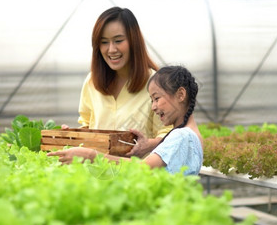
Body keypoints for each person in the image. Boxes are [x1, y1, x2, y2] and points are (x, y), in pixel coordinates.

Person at [49, 65, 203, 176]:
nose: (153, 107)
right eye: (151, 100)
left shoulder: (182, 136)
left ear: (181, 95)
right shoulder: (191, 135)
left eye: (157, 98)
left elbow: (143, 169)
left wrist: (91, 155)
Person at [60, 6, 171, 158]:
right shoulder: (92, 82)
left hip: (140, 175)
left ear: (134, 41)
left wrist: (148, 145)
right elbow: (87, 124)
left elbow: (168, 133)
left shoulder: (156, 83)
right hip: (98, 174)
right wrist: (74, 135)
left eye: (118, 40)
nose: (111, 49)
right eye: (104, 42)